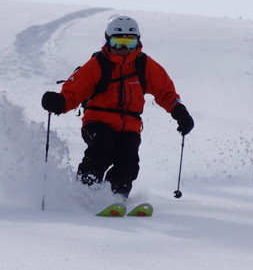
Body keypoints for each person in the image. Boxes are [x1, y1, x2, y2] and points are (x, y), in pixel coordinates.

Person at [41, 15, 194, 199]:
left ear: (138, 41)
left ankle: (115, 197)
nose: (123, 49)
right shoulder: (98, 65)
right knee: (103, 149)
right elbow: (74, 91)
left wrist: (179, 112)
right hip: (97, 122)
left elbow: (165, 92)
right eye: (117, 43)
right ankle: (85, 192)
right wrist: (59, 102)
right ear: (108, 41)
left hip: (129, 127)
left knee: (128, 162)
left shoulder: (144, 65)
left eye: (129, 43)